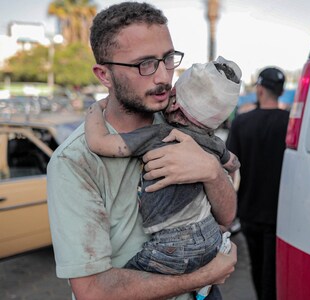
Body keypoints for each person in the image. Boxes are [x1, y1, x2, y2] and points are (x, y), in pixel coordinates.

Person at [47, 2, 237, 300]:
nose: (163, 76)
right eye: (144, 64)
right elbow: (92, 290)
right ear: (104, 75)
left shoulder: (181, 120)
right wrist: (205, 275)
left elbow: (227, 215)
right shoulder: (75, 162)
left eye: (168, 59)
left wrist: (211, 172)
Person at [83, 57, 241, 282]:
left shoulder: (158, 135)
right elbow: (233, 164)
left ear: (174, 102)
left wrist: (95, 110)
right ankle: (202, 283)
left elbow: (99, 143)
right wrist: (222, 169)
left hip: (174, 243)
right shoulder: (214, 142)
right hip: (210, 234)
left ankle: (198, 282)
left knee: (123, 282)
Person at [226, 67, 289, 300]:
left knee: (257, 266)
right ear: (280, 92)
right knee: (274, 272)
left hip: (250, 210)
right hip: (281, 213)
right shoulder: (290, 123)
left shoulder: (242, 122)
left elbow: (229, 170)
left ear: (260, 90)